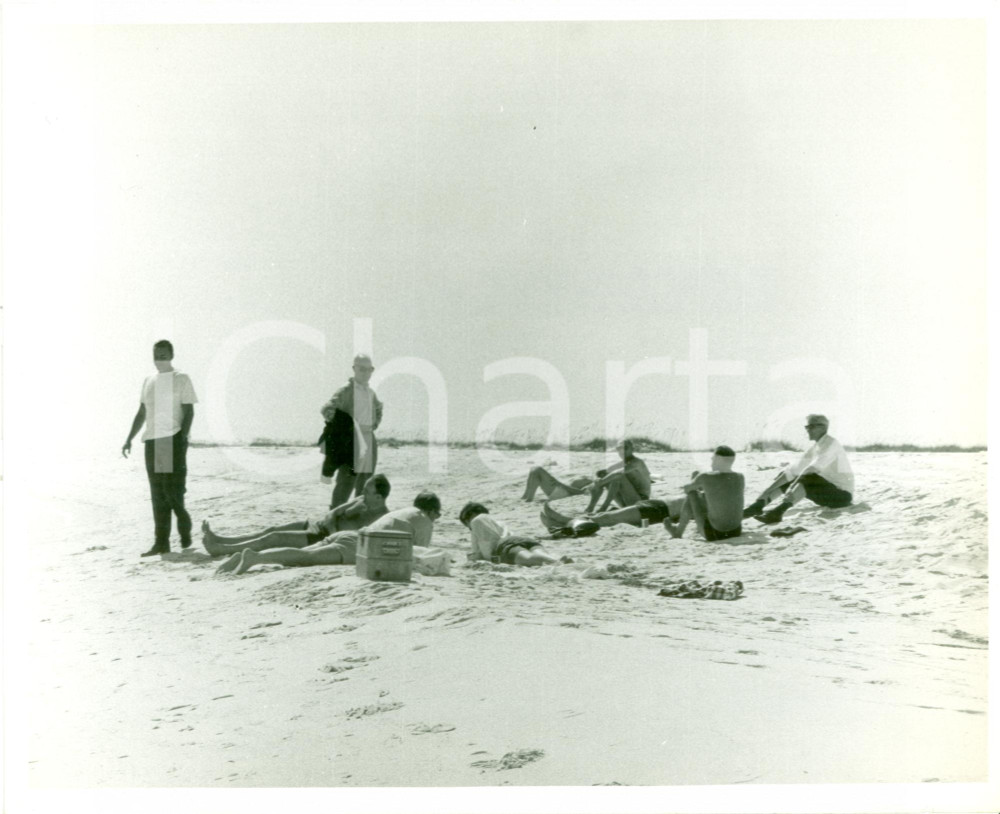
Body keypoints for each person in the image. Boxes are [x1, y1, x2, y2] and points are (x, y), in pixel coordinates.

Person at [215, 491, 441, 576]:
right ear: (430, 510)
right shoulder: (423, 519)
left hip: (351, 535)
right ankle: (255, 558)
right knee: (306, 558)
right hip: (360, 546)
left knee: (299, 552)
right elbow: (420, 554)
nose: (436, 519)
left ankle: (247, 556)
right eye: (437, 514)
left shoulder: (405, 512)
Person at [121, 340, 198, 557]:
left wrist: (182, 438)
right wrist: (129, 438)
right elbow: (142, 413)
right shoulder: (148, 380)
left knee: (171, 492)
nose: (160, 360)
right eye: (156, 356)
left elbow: (189, 411)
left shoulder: (181, 378)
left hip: (170, 438)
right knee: (157, 495)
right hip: (152, 440)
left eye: (164, 356)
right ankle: (161, 543)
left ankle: (183, 525)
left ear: (171, 355)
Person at [201, 474, 390, 556]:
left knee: (273, 538)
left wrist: (333, 530)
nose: (363, 493)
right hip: (318, 525)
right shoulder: (360, 500)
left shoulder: (381, 519)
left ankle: (221, 550)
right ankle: (222, 539)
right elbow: (333, 513)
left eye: (367, 491)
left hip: (322, 538)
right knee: (271, 529)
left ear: (379, 497)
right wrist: (337, 520)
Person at [743, 414, 854, 524]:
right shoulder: (815, 448)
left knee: (808, 477)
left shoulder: (831, 444)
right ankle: (757, 506)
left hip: (842, 496)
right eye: (807, 427)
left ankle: (778, 512)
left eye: (811, 427)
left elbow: (811, 470)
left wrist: (792, 488)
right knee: (789, 476)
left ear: (823, 427)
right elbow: (791, 472)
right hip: (827, 494)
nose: (807, 430)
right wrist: (764, 494)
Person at [319, 354, 384, 509]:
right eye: (362, 369)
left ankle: (358, 517)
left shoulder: (371, 393)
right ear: (354, 369)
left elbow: (379, 409)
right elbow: (327, 408)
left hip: (369, 439)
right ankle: (334, 517)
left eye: (370, 369)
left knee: (366, 483)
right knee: (346, 481)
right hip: (352, 441)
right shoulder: (346, 390)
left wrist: (374, 425)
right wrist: (344, 428)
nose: (366, 373)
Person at [663, 446, 745, 541]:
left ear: (718, 459)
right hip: (736, 531)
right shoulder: (740, 477)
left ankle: (678, 532)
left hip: (715, 534)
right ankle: (678, 531)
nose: (711, 462)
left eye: (713, 459)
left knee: (692, 493)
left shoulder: (705, 476)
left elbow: (686, 489)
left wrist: (697, 481)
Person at [460, 503, 569, 567]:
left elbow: (484, 550)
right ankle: (560, 560)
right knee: (540, 555)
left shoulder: (476, 522)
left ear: (471, 516)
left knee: (529, 559)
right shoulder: (499, 523)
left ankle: (559, 563)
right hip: (522, 540)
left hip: (504, 547)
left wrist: (473, 559)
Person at [584, 438, 652, 513]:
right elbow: (601, 472)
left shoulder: (638, 462)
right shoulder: (622, 463)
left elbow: (618, 473)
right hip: (625, 502)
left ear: (632, 449)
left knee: (618, 477)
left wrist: (600, 482)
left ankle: (603, 508)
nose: (622, 451)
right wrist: (597, 481)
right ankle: (590, 507)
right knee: (604, 476)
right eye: (619, 448)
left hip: (640, 502)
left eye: (625, 448)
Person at [521, 466, 594, 501]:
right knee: (534, 471)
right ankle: (526, 495)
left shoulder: (592, 483)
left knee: (537, 469)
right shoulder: (591, 481)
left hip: (561, 492)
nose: (585, 478)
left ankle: (529, 498)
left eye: (585, 479)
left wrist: (560, 484)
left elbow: (578, 492)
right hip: (559, 489)